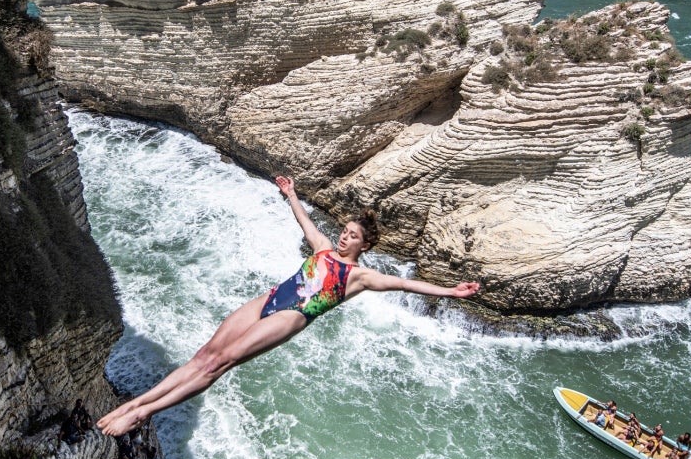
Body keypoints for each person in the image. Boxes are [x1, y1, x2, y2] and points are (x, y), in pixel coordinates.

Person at [97, 176, 481, 436]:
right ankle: (136, 404)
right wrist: (291, 194)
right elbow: (305, 222)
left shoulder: (360, 277)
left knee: (220, 363)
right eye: (345, 231)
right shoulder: (323, 248)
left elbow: (403, 283)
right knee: (205, 353)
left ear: (364, 245)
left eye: (353, 236)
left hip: (292, 315)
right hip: (272, 296)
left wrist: (450, 291)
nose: (344, 237)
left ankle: (143, 413)